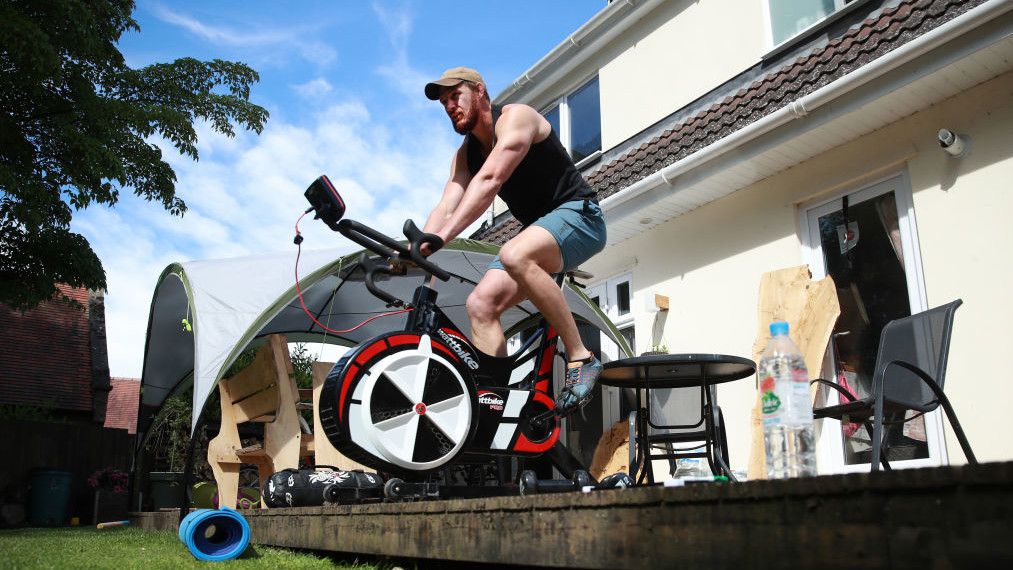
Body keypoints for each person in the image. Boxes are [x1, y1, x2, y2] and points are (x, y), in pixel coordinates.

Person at [420, 67, 607, 417]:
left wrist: (442, 239)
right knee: (480, 303)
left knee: (514, 254)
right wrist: (417, 249)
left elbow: (491, 179)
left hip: (582, 217)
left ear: (480, 91)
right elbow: (446, 204)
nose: (449, 106)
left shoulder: (517, 118)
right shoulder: (465, 155)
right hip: (541, 230)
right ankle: (496, 406)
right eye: (444, 103)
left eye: (455, 96)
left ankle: (581, 357)